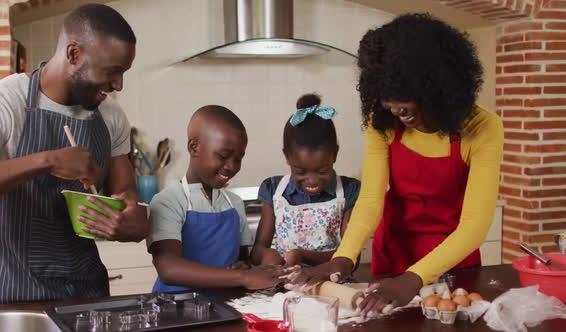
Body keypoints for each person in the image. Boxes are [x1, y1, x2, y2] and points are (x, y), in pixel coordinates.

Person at [292, 13, 504, 317]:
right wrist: (343, 259)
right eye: (385, 97)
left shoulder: (483, 128)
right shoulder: (383, 122)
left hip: (451, 264)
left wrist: (414, 278)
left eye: (403, 94)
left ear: (437, 83)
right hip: (392, 258)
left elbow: (474, 225)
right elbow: (370, 200)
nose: (393, 107)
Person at [0, 4, 148, 305]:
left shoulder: (111, 116)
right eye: (111, 72)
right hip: (13, 293)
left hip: (88, 292)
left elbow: (126, 193)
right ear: (73, 53)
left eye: (123, 73)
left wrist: (131, 216)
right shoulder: (3, 102)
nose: (118, 84)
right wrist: (48, 160)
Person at [148, 105, 287, 291]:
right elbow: (169, 269)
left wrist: (247, 267)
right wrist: (241, 276)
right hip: (176, 308)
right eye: (223, 156)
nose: (232, 166)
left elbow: (242, 261)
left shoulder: (234, 203)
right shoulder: (168, 201)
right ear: (194, 147)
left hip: (225, 305)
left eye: (238, 158)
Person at [250, 94, 360, 267]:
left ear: (335, 154)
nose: (312, 180)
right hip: (284, 285)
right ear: (287, 156)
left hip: (330, 283)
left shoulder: (349, 190)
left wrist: (302, 256)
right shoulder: (273, 189)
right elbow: (257, 251)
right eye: (300, 171)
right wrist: (268, 255)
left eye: (322, 171)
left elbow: (351, 256)